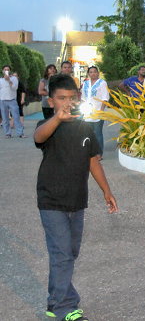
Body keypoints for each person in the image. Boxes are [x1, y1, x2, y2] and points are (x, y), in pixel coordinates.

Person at [34, 74, 117, 321]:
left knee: (69, 253)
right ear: (51, 102)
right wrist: (57, 120)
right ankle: (64, 309)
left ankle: (55, 301)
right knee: (62, 255)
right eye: (61, 99)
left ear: (79, 98)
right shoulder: (48, 126)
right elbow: (38, 136)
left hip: (77, 201)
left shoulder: (85, 129)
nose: (67, 103)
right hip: (51, 201)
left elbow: (93, 162)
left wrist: (107, 191)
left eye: (71, 98)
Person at [80, 66, 109, 157]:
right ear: (88, 74)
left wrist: (101, 111)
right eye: (91, 72)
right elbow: (83, 98)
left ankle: (99, 153)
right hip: (87, 112)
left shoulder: (102, 83)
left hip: (98, 111)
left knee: (98, 133)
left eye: (95, 72)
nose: (93, 73)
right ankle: (90, 152)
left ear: (98, 73)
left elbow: (105, 98)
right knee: (88, 133)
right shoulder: (85, 83)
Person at [1, 65, 25, 138]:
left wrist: (9, 80)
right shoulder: (0, 80)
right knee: (5, 118)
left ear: (10, 71)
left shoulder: (14, 78)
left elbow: (15, 88)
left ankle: (20, 133)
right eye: (5, 70)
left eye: (8, 70)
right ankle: (7, 133)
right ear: (2, 71)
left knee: (16, 117)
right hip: (2, 100)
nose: (6, 71)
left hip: (12, 100)